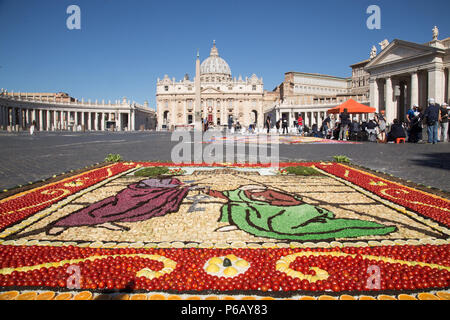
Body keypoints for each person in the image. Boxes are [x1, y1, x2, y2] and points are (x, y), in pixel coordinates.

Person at [206, 185, 396, 241]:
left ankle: (373, 227)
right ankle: (242, 223)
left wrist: (269, 200)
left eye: (252, 189)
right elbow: (224, 194)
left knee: (284, 225)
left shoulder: (269, 192)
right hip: (266, 213)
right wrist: (208, 191)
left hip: (288, 212)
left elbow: (294, 201)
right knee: (235, 206)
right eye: (248, 189)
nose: (250, 190)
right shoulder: (240, 194)